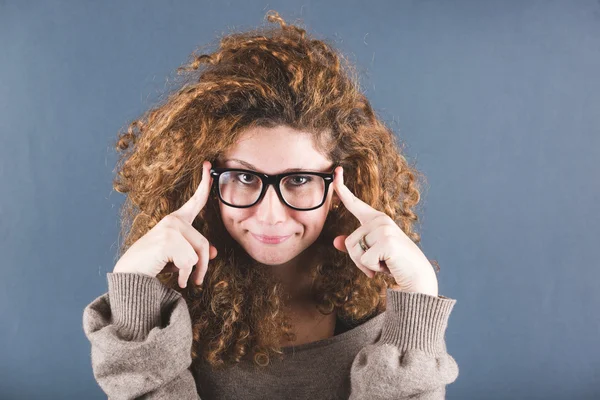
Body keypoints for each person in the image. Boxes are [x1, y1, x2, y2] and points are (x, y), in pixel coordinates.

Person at [82, 10, 459, 399]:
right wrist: (134, 296)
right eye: (245, 178)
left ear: (340, 183)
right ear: (206, 181)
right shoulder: (166, 314)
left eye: (299, 180)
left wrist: (418, 299)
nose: (270, 215)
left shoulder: (385, 306)